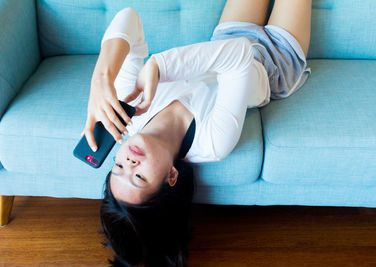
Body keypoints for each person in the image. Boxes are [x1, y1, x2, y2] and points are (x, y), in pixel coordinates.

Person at [83, 0, 312, 266]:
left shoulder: (126, 113)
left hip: (226, 36)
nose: (129, 162)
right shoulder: (213, 143)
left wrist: (101, 80)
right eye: (139, 177)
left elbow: (128, 17)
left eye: (119, 167)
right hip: (276, 63)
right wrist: (158, 66)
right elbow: (239, 55)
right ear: (171, 175)